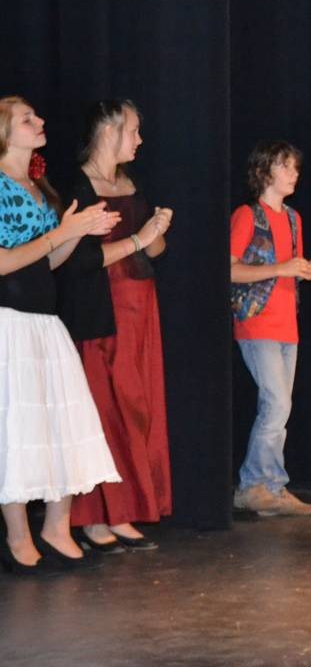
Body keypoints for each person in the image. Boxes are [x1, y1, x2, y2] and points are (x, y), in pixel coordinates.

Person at [1, 96, 121, 574]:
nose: (40, 121)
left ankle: (56, 526)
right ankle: (17, 535)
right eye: (28, 119)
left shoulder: (37, 186)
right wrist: (63, 231)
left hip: (45, 320)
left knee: (64, 423)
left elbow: (49, 261)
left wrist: (80, 230)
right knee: (18, 428)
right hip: (9, 321)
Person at [58, 100, 175, 551]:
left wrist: (156, 231)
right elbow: (80, 262)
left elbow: (153, 250)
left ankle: (128, 508)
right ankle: (97, 517)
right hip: (102, 311)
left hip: (141, 306)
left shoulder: (128, 182)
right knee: (109, 409)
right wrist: (139, 239)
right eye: (134, 130)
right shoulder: (78, 186)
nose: (140, 140)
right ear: (108, 131)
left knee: (141, 407)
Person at [230, 141, 311, 517]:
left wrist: (308, 269)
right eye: (286, 167)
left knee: (279, 409)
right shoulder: (247, 216)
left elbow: (292, 267)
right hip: (257, 322)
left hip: (287, 324)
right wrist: (282, 269)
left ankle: (270, 485)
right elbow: (230, 269)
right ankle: (254, 485)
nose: (294, 173)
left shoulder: (293, 218)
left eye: (295, 167)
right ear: (266, 171)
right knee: (276, 404)